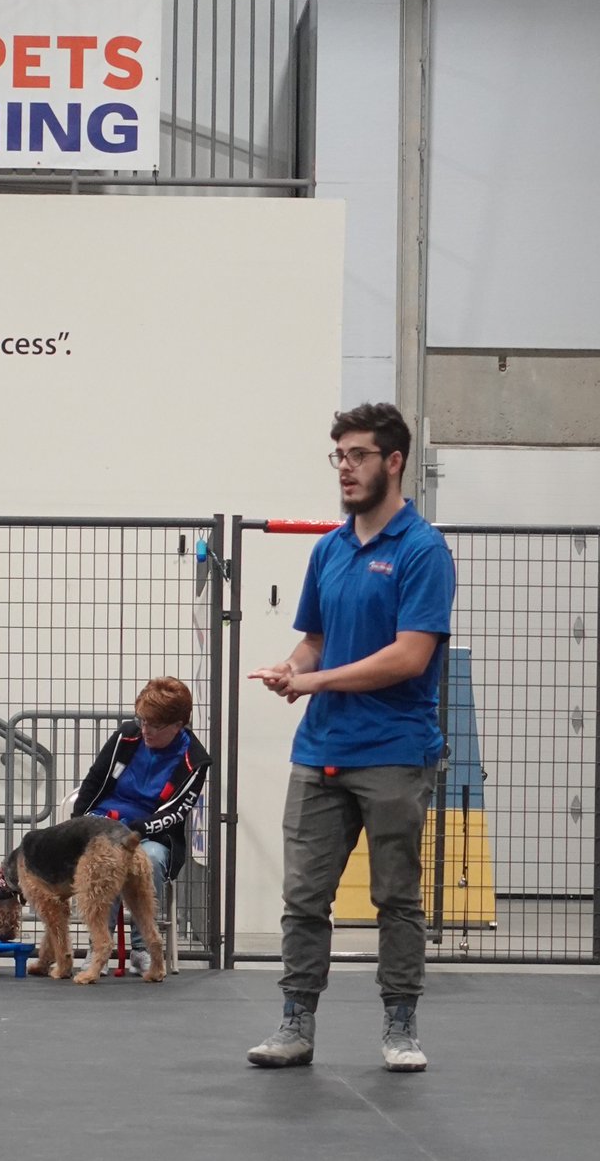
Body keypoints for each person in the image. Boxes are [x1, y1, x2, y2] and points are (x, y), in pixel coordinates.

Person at [247, 401, 455, 1073]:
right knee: (303, 897)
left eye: (359, 454)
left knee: (395, 897)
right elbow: (314, 640)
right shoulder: (330, 549)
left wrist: (318, 680)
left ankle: (400, 1024)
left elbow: (409, 657)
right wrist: (292, 669)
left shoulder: (423, 550)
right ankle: (295, 1023)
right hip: (319, 752)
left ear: (394, 462)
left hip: (394, 750)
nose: (345, 467)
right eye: (338, 455)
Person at [72, 676, 210, 974]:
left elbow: (175, 812)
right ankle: (99, 946)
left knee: (152, 859)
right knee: (102, 858)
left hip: (152, 830)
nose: (145, 730)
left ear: (178, 725)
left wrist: (132, 831)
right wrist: (79, 823)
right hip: (103, 821)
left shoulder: (195, 760)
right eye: (142, 720)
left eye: (154, 725)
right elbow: (94, 780)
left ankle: (142, 947)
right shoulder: (127, 736)